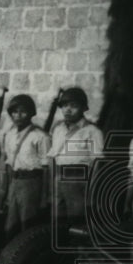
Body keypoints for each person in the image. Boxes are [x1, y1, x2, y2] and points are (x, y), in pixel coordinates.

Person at [0, 95, 50, 240]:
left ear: (31, 113)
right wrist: (6, 190)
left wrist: (44, 196)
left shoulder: (40, 136)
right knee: (10, 225)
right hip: (15, 181)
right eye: (14, 112)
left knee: (27, 223)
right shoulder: (9, 135)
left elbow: (46, 168)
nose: (18, 116)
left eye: (23, 112)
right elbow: (8, 164)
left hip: (31, 182)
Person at [47, 87, 103, 223]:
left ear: (83, 108)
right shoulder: (58, 129)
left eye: (73, 106)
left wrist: (91, 191)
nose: (68, 110)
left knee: (76, 223)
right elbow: (52, 157)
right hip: (58, 179)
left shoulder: (92, 131)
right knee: (57, 222)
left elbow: (97, 164)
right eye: (65, 105)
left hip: (78, 180)